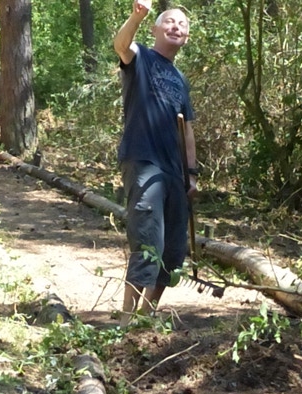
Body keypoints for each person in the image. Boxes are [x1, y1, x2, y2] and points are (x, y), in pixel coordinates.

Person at [113, 0, 198, 327]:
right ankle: (125, 323)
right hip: (144, 160)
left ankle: (146, 317)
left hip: (175, 172)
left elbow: (187, 130)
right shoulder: (141, 58)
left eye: (183, 25)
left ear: (186, 37)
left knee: (173, 250)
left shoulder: (180, 79)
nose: (177, 27)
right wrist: (137, 15)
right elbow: (121, 45)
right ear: (155, 29)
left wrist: (192, 174)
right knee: (147, 240)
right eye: (170, 21)